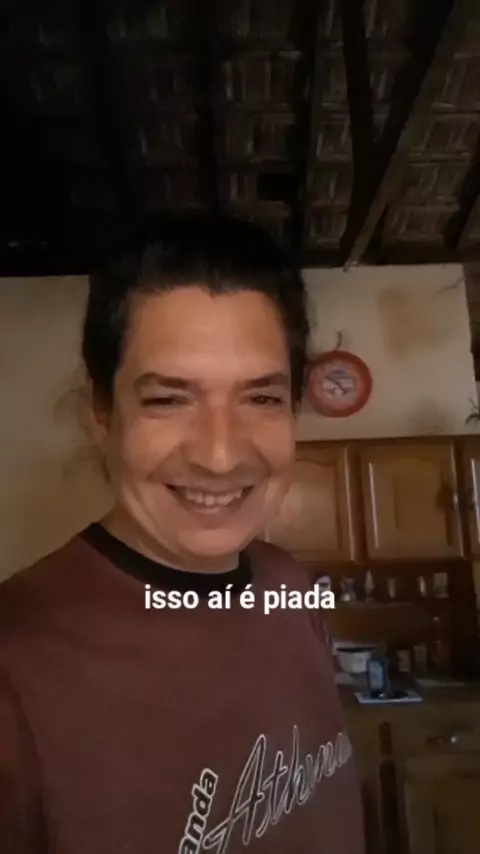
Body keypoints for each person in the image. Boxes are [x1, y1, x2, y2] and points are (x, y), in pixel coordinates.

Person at [0, 213, 365, 853]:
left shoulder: (289, 585)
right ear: (102, 414)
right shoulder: (16, 663)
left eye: (261, 398)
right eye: (168, 399)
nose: (220, 456)